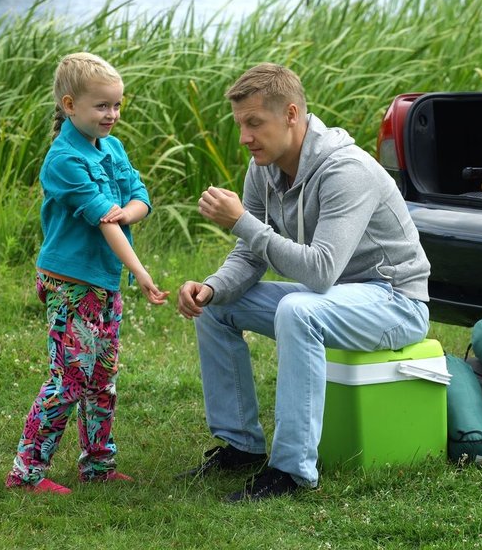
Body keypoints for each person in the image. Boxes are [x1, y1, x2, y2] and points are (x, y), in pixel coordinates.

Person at [176, 63, 431, 502]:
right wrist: (213, 287)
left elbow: (319, 270)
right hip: (335, 298)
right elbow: (252, 254)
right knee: (218, 307)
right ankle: (240, 445)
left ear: (291, 114)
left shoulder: (345, 171)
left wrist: (241, 221)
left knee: (299, 310)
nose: (244, 137)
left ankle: (291, 472)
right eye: (240, 125)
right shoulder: (265, 168)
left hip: (395, 302)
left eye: (254, 123)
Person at [5, 52, 169, 495]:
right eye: (101, 106)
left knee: (103, 379)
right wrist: (142, 272)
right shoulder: (64, 161)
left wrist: (124, 213)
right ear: (69, 104)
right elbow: (105, 221)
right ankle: (26, 473)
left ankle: (97, 464)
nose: (111, 115)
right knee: (69, 379)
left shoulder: (112, 147)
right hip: (71, 283)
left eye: (116, 105)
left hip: (104, 281)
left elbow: (140, 197)